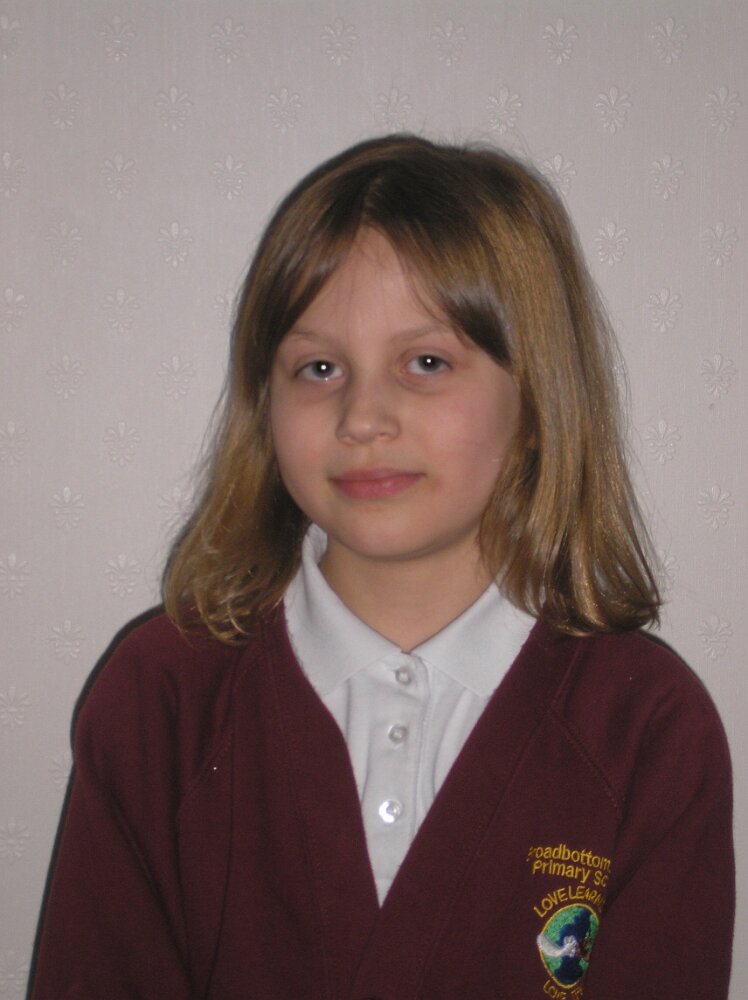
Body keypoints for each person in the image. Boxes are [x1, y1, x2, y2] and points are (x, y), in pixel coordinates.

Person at [29, 135, 733, 999]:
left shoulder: (648, 728)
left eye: (427, 362)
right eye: (319, 368)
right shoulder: (162, 701)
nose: (363, 416)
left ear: (535, 403)